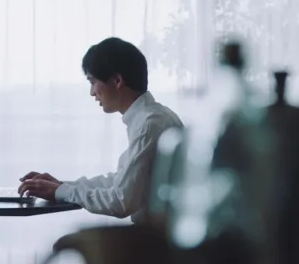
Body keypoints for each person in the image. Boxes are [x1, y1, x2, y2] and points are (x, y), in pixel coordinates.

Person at [15, 37, 185, 224]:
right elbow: (121, 181)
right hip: (161, 234)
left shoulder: (149, 125)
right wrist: (61, 186)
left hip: (155, 238)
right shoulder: (155, 117)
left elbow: (121, 201)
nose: (92, 92)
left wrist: (61, 191)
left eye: (93, 81)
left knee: (70, 238)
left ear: (117, 81)